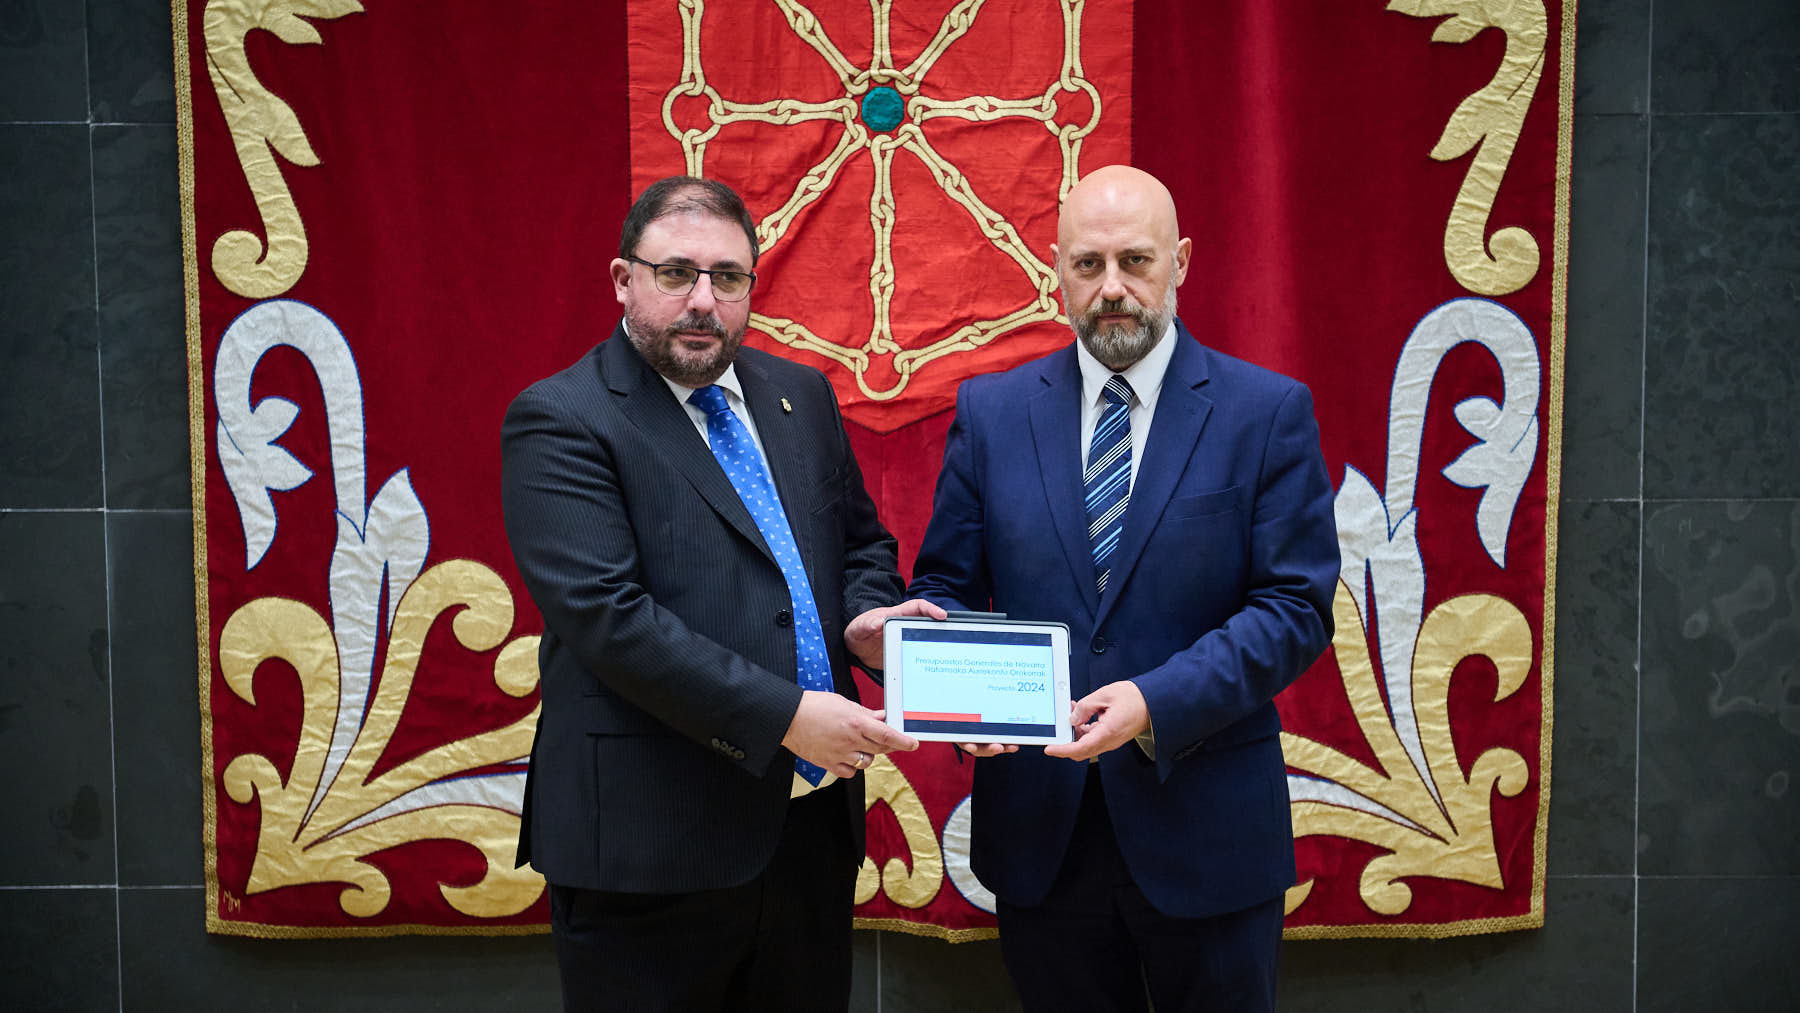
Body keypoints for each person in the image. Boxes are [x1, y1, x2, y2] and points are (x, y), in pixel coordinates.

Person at [501, 175, 942, 1012]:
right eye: (676, 274)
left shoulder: (798, 396)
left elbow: (859, 543)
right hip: (650, 848)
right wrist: (784, 716)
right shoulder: (561, 417)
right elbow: (610, 620)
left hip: (807, 835)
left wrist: (864, 619)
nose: (704, 301)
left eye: (728, 277)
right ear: (624, 280)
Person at [907, 165, 1339, 1012]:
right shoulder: (992, 413)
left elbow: (1294, 608)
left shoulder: (1265, 412)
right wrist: (963, 700)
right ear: (1055, 270)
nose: (1113, 289)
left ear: (1180, 261)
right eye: (1088, 264)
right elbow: (944, 586)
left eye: (1136, 261)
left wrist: (1154, 700)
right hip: (1042, 836)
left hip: (1207, 830)